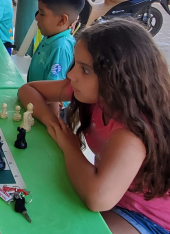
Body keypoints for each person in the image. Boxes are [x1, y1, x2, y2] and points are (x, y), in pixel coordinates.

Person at [18, 18, 170, 234]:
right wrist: (55, 124)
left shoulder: (131, 131)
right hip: (113, 194)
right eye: (75, 64)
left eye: (85, 70)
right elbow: (29, 90)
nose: (71, 75)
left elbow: (98, 198)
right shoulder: (94, 95)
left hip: (146, 217)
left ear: (118, 79)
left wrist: (69, 144)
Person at [28, 0, 85, 115]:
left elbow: (55, 95)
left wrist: (52, 122)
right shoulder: (51, 37)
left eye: (42, 14)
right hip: (40, 101)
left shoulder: (60, 47)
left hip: (51, 110)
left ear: (61, 20)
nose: (36, 18)